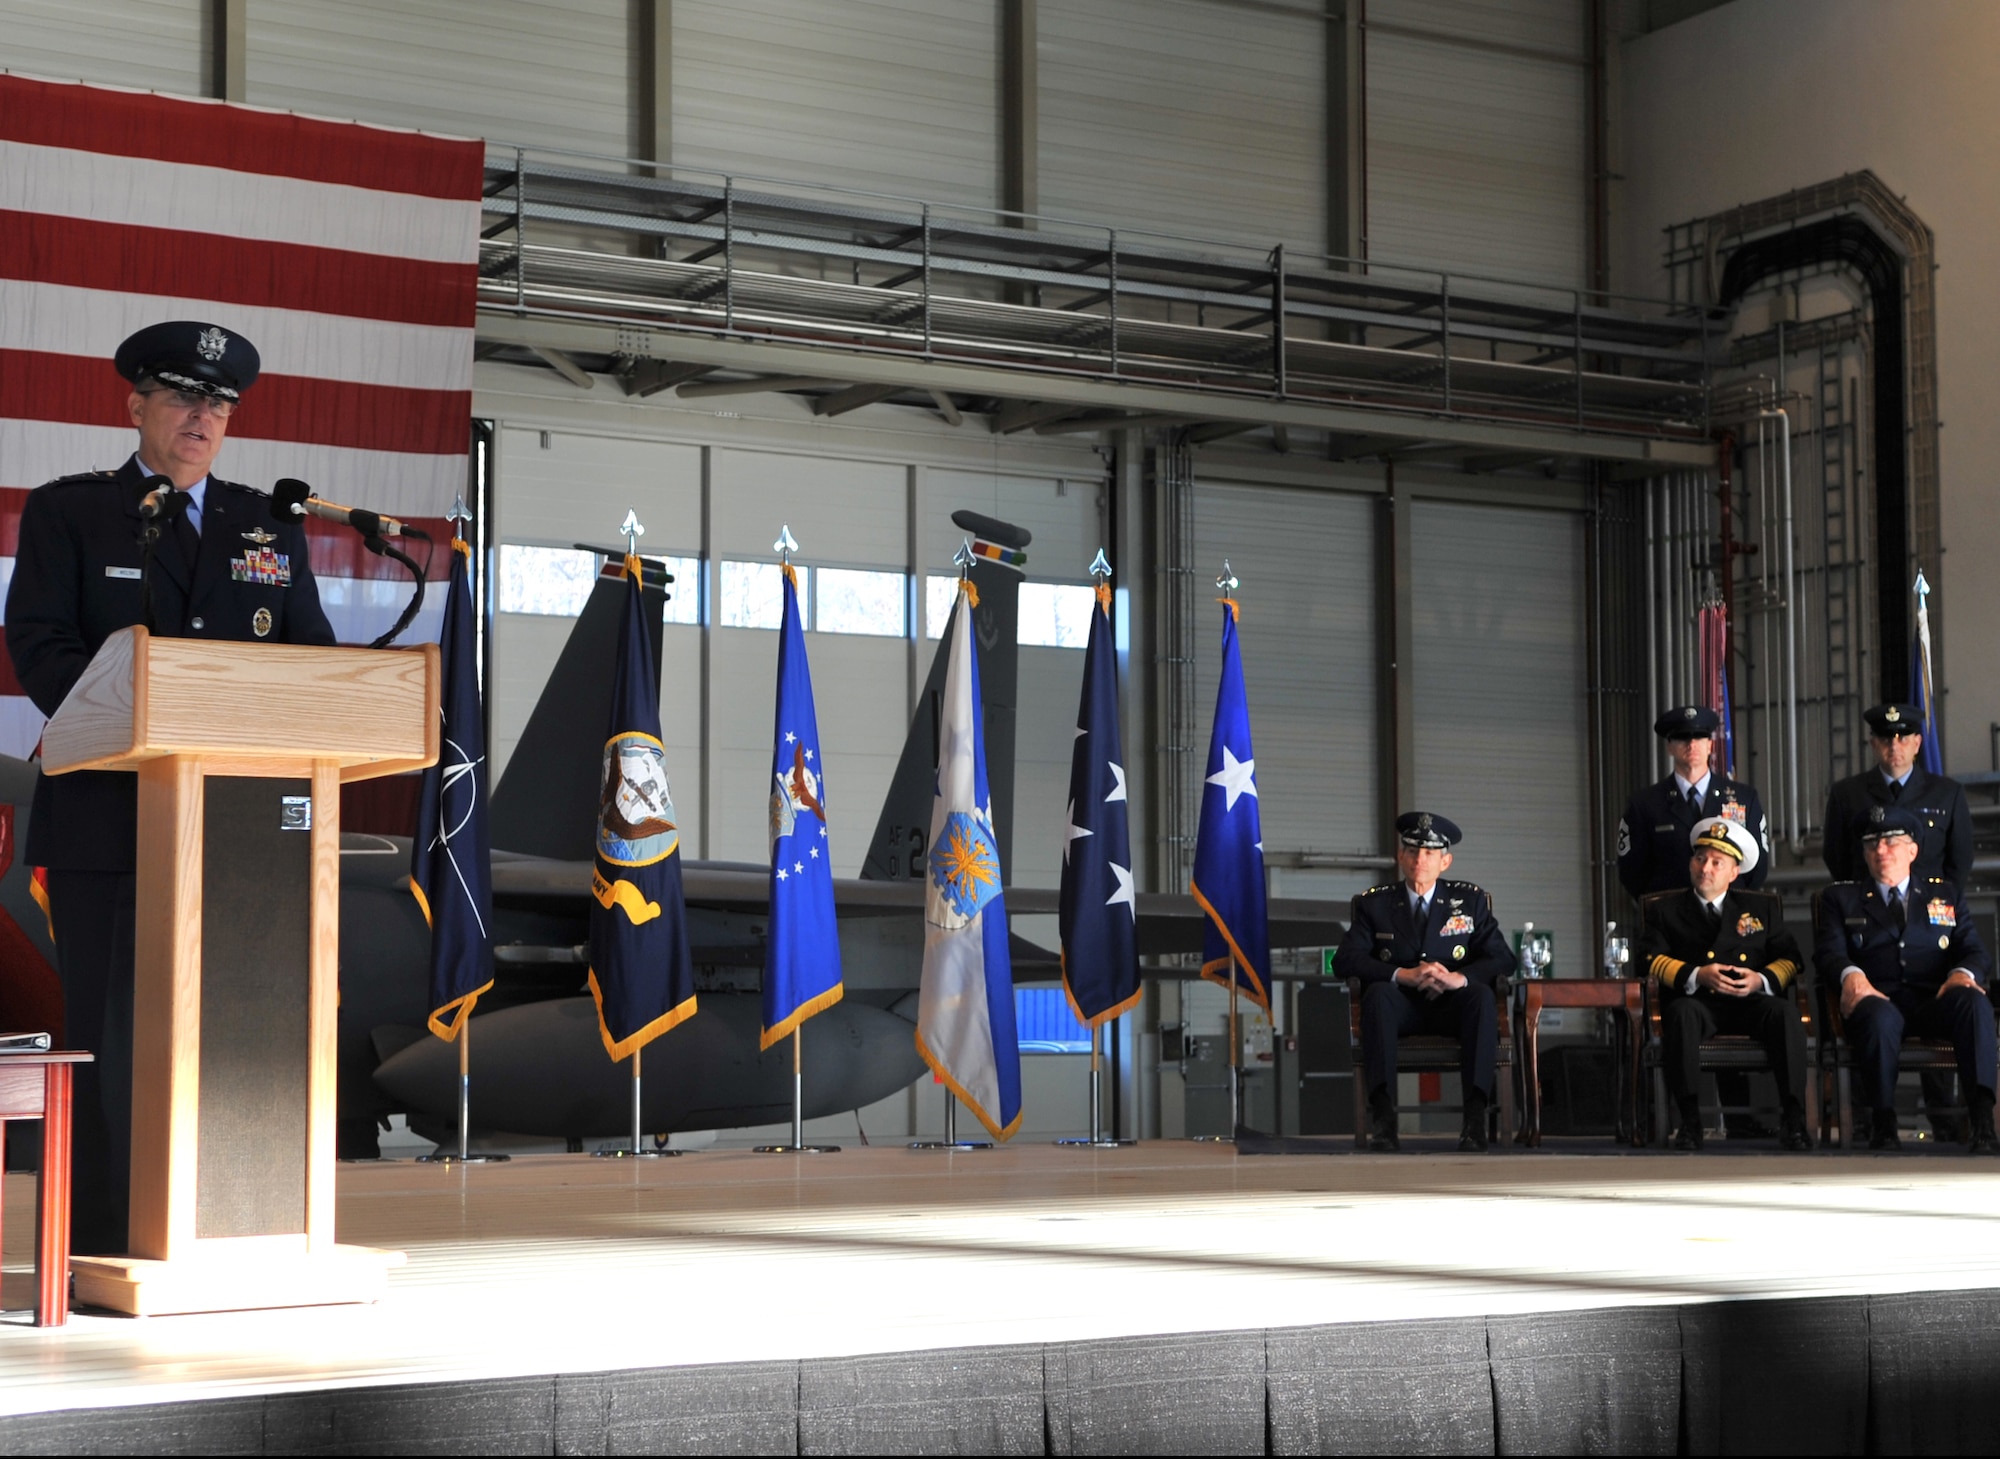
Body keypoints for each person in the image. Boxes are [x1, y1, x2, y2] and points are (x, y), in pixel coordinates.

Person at [4, 321, 335, 1254]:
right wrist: (143, 719)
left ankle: (229, 1228)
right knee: (112, 1038)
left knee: (235, 1030)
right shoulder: (71, 512)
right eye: (185, 397)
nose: (204, 416)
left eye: (220, 403)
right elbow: (39, 643)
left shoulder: (264, 526)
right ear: (136, 405)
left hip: (241, 831)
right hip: (108, 824)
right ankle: (102, 1243)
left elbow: (308, 661)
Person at [1822, 701, 1976, 1139]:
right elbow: (1839, 860)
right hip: (1869, 931)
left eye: (1904, 737)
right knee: (1872, 1023)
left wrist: (1930, 918)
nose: (1895, 745)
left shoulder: (1947, 793)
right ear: (1873, 742)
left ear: (1917, 743)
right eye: (1886, 738)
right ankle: (1873, 1118)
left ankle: (1948, 1122)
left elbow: (1958, 866)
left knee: (1942, 1017)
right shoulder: (1849, 793)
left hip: (1930, 929)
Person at [1813, 805, 1997, 1153]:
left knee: (1975, 1002)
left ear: (1913, 850)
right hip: (1877, 998)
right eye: (1872, 844)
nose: (1881, 850)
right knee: (1879, 1017)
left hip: (1934, 1001)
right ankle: (1883, 1122)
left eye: (1892, 842)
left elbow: (1974, 950)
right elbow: (1829, 952)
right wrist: (1851, 976)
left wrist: (1961, 974)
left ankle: (1983, 1118)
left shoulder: (1945, 895)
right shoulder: (1842, 898)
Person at [1332, 812, 1516, 1152]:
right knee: (1378, 996)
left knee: (1480, 997)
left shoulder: (1469, 901)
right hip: (1401, 1005)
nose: (1420, 860)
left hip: (1452, 1005)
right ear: (1400, 857)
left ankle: (1474, 1121)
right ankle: (1384, 1123)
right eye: (1413, 851)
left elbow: (1504, 958)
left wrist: (1458, 978)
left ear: (1445, 861)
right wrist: (1403, 974)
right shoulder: (1375, 904)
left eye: (1430, 853)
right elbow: (1344, 961)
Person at [1636, 817, 1811, 1151]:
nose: (1706, 868)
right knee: (1681, 1014)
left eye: (1718, 862)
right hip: (1700, 1002)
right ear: (1690, 863)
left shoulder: (1759, 908)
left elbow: (1792, 959)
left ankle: (1794, 1119)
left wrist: (1760, 979)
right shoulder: (1666, 910)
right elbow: (1647, 960)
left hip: (1750, 1002)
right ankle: (1689, 1121)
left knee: (1786, 1014)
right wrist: (1696, 974)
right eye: (1701, 859)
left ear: (1733, 873)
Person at [1617, 705, 1772, 900]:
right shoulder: (1645, 804)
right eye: (1683, 738)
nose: (1692, 744)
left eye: (1699, 737)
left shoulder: (1744, 798)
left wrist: (1731, 901)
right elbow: (1631, 871)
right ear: (1669, 746)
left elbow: (1758, 866)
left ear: (1710, 744)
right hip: (1670, 916)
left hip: (1727, 915)